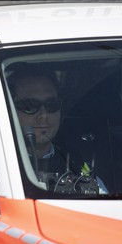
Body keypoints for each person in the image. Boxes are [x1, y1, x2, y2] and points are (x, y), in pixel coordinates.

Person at [8, 66, 106, 194]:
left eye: (51, 104)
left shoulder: (76, 161)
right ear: (9, 110)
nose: (43, 115)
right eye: (30, 106)